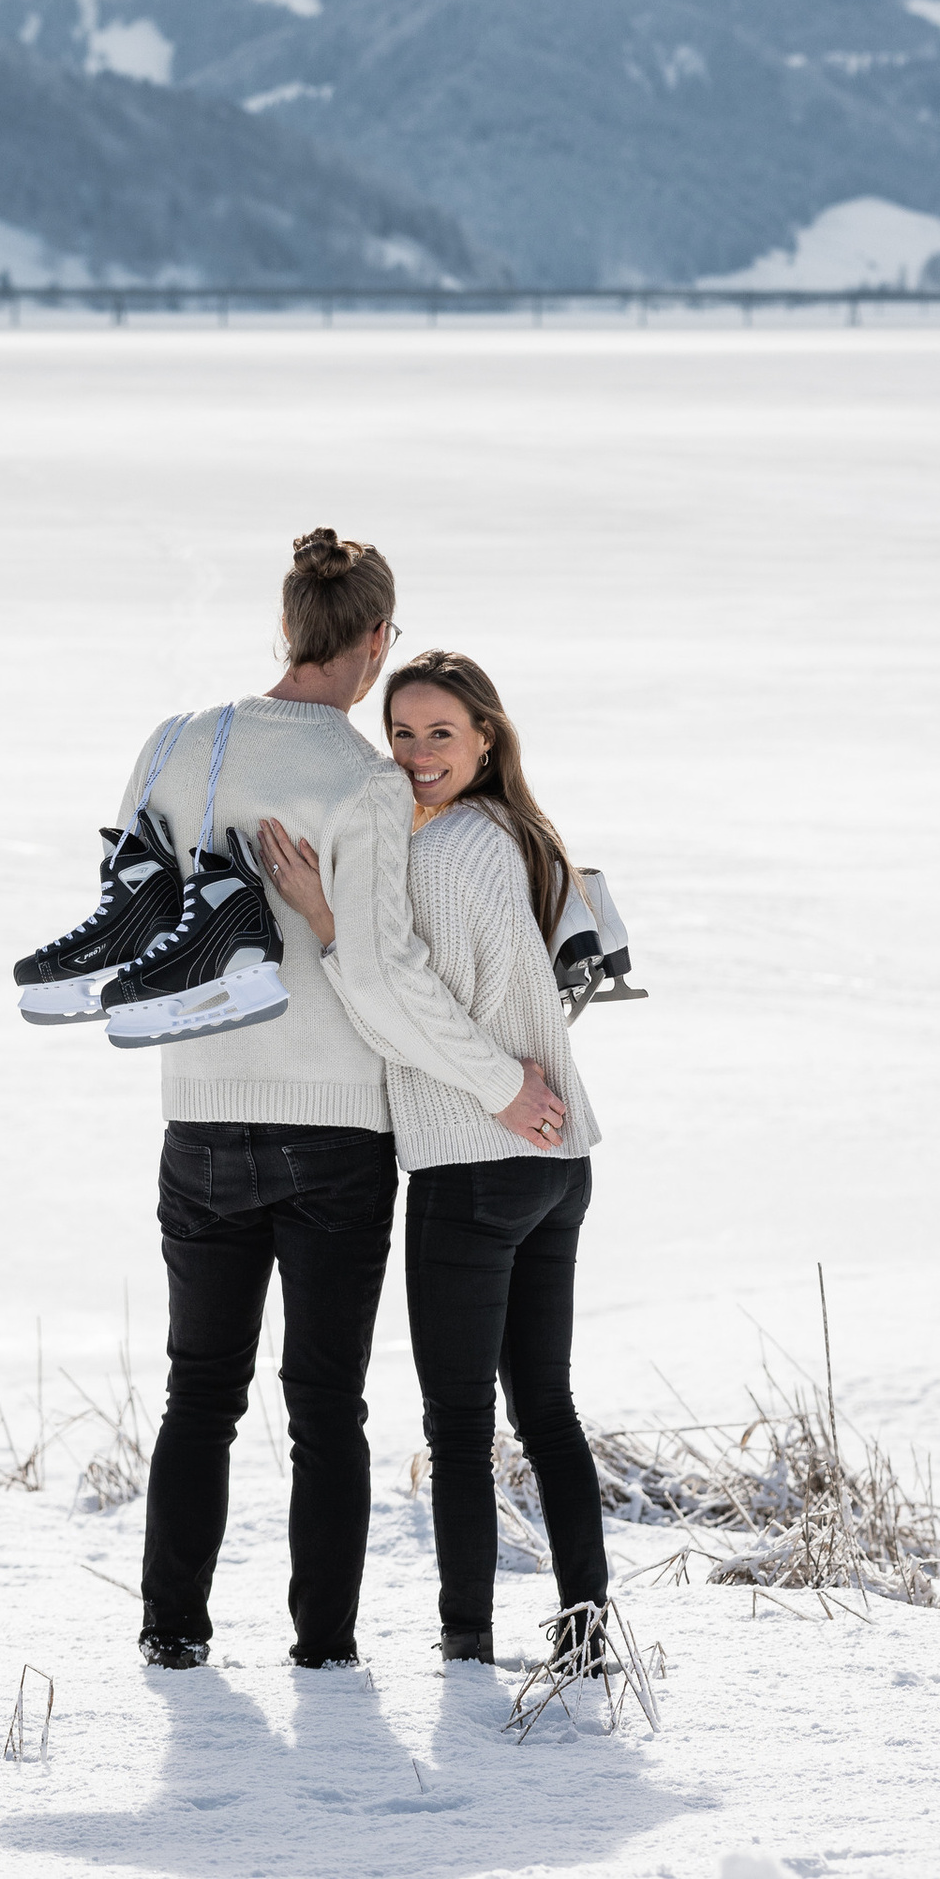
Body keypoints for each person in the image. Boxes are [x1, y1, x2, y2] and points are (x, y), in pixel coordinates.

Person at [121, 533, 569, 1673]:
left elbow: (128, 896)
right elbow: (378, 974)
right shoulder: (367, 781)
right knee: (325, 1406)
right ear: (376, 642)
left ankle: (172, 1632)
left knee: (197, 1394)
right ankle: (321, 1648)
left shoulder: (177, 744)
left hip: (202, 1108)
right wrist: (500, 1084)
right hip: (336, 1132)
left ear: (288, 627)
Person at [260, 648, 609, 1673]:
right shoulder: (525, 837)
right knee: (545, 1408)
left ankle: (468, 1647)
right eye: (401, 733)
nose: (415, 754)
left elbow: (400, 1005)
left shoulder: (438, 853)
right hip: (557, 1160)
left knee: (459, 1423)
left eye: (439, 734)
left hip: (474, 1162)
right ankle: (585, 1632)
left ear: (485, 737)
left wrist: (327, 919)